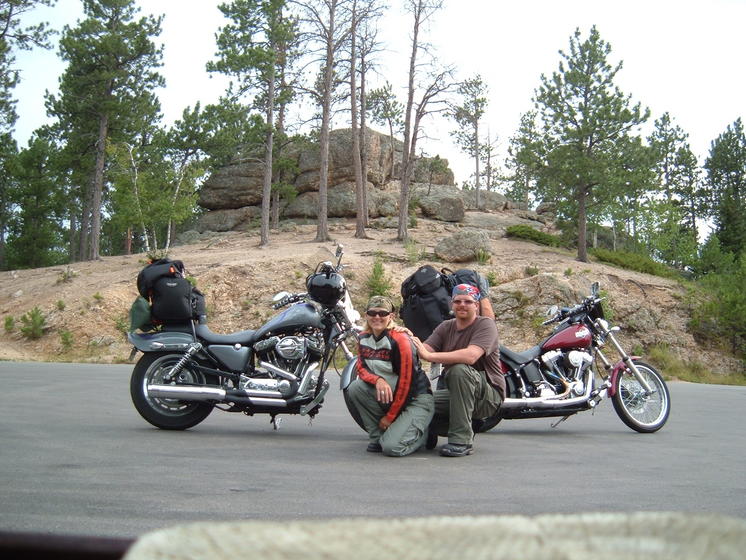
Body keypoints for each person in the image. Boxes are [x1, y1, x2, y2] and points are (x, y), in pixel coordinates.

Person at [412, 284, 504, 457]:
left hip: (488, 396)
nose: (462, 305)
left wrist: (430, 357)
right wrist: (405, 340)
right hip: (459, 391)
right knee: (418, 400)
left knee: (459, 370)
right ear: (452, 304)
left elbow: (471, 356)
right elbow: (425, 349)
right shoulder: (446, 326)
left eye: (468, 301)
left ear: (476, 305)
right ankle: (431, 429)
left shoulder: (486, 325)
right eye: (458, 301)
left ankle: (461, 440)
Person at [346, 296, 435, 457]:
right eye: (372, 313)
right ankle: (378, 438)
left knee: (392, 448)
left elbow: (407, 383)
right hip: (392, 395)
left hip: (415, 399)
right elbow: (361, 367)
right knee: (355, 388)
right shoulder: (363, 338)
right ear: (366, 315)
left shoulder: (400, 339)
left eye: (383, 313)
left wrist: (390, 417)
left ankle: (424, 434)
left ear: (391, 316)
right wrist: (378, 380)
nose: (377, 317)